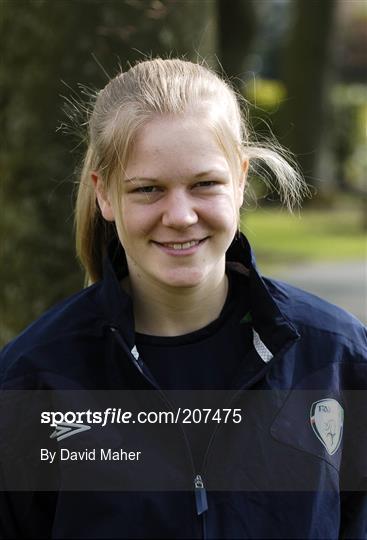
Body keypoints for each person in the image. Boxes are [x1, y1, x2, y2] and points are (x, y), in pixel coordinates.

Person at [0, 58, 366, 539]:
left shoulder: (337, 358)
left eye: (204, 184)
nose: (180, 215)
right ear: (105, 195)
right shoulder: (34, 378)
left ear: (240, 181)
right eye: (148, 189)